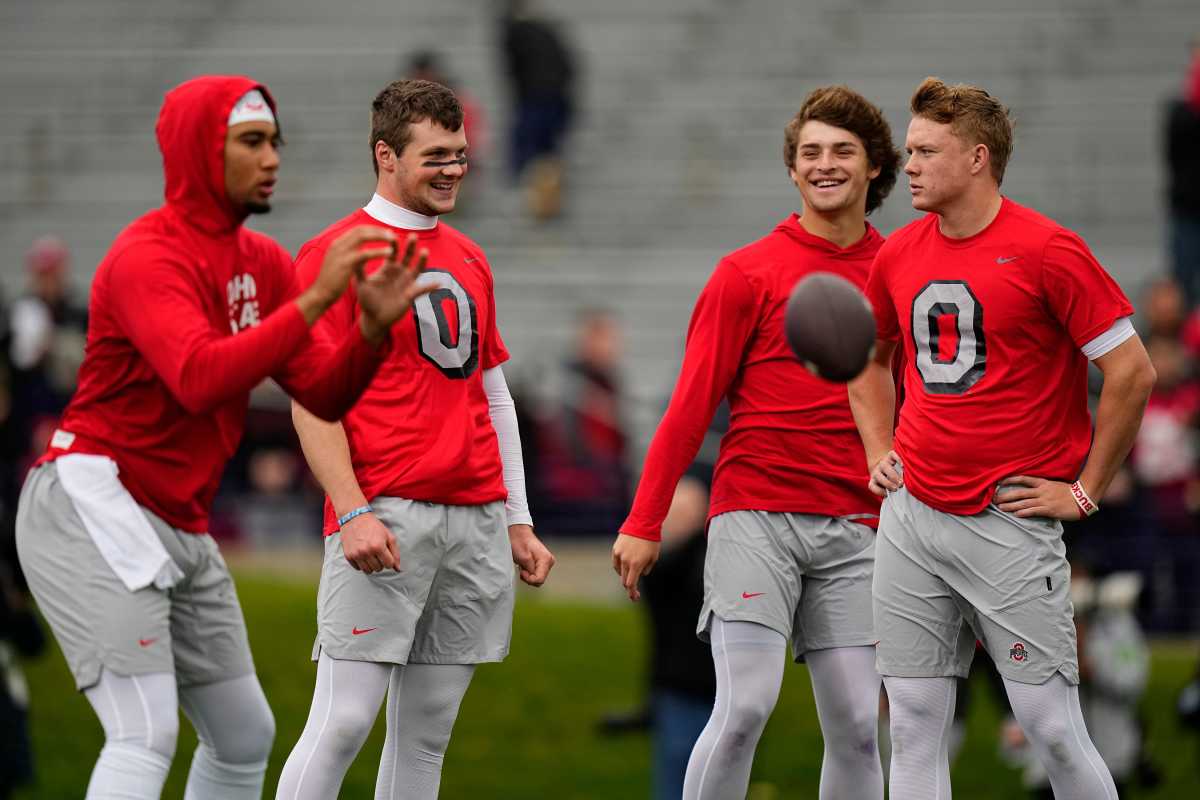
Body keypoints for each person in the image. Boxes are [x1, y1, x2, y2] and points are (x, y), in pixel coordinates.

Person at [14, 75, 431, 800]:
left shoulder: (263, 262)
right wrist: (315, 299)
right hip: (93, 503)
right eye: (251, 141)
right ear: (198, 151)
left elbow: (324, 395)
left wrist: (366, 334)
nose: (273, 157)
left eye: (276, 142)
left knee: (244, 736)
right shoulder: (147, 253)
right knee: (143, 733)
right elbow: (199, 379)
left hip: (177, 518)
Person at [849, 76, 1156, 800]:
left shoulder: (1049, 248)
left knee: (1051, 725)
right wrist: (876, 448)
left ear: (978, 157)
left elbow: (1133, 371)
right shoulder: (896, 253)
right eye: (910, 148)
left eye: (926, 150)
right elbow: (866, 359)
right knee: (915, 724)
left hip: (1007, 517)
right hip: (913, 515)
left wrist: (1085, 490)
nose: (909, 165)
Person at [612, 85, 901, 800]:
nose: (824, 165)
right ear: (792, 167)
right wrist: (644, 521)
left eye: (842, 151)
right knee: (743, 709)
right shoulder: (745, 272)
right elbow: (688, 407)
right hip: (754, 514)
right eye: (810, 152)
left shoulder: (903, 271)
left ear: (875, 167)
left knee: (862, 725)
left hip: (860, 523)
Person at [276, 79, 555, 800]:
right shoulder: (333, 253)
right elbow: (312, 403)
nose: (453, 169)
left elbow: (492, 394)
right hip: (386, 514)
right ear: (385, 155)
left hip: (475, 519)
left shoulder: (468, 254)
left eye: (460, 155)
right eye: (435, 155)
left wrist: (517, 517)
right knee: (342, 722)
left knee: (426, 737)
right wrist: (352, 507)